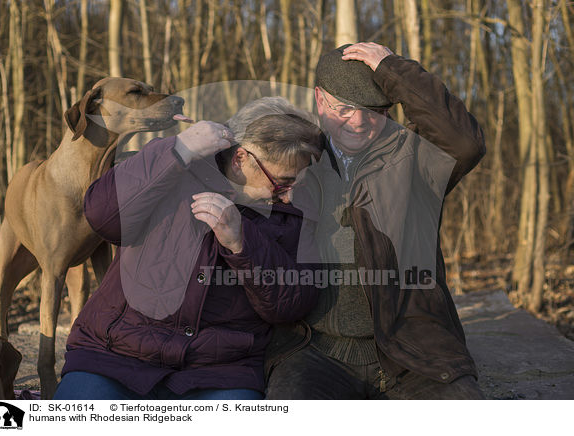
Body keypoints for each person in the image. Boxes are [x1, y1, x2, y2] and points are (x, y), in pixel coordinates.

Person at [53, 100, 324, 400]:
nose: (289, 196)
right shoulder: (175, 165)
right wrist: (177, 150)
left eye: (298, 181)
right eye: (281, 183)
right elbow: (102, 217)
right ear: (241, 158)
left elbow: (292, 303)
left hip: (219, 372)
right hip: (114, 355)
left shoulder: (292, 212)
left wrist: (242, 244)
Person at [265, 42, 487, 399]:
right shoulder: (293, 163)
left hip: (415, 354)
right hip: (314, 353)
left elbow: (465, 144)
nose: (358, 121)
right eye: (344, 108)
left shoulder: (413, 156)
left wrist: (393, 70)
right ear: (320, 100)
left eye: (373, 109)